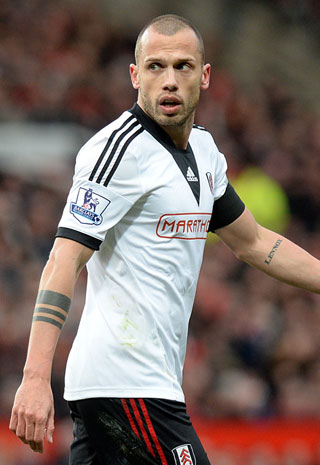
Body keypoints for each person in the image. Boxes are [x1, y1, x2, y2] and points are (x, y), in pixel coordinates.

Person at [9, 14, 320, 465]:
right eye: (155, 67)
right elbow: (63, 259)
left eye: (182, 66)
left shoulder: (206, 153)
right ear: (135, 75)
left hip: (136, 387)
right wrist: (36, 377)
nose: (169, 81)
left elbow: (253, 243)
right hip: (127, 385)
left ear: (205, 75)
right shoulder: (115, 152)